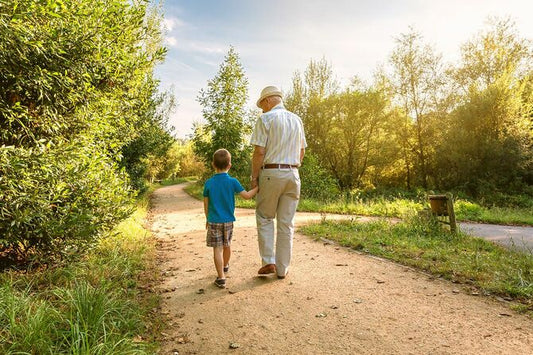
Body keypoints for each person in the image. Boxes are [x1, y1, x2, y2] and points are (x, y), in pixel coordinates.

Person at [250, 86, 307, 279]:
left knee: (265, 217)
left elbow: (259, 152)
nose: (262, 109)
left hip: (271, 173)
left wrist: (254, 178)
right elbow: (302, 152)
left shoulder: (265, 119)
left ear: (267, 101)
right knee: (286, 223)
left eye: (262, 105)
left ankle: (268, 262)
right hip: (293, 174)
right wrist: (293, 165)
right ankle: (282, 269)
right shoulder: (297, 120)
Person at [203, 148, 258, 288]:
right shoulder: (233, 181)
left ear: (213, 165)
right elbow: (246, 196)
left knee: (217, 249)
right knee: (227, 245)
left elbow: (206, 204)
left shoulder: (208, 183)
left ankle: (221, 277)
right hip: (228, 221)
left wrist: (207, 219)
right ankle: (225, 265)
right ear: (229, 165)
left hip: (214, 220)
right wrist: (258, 188)